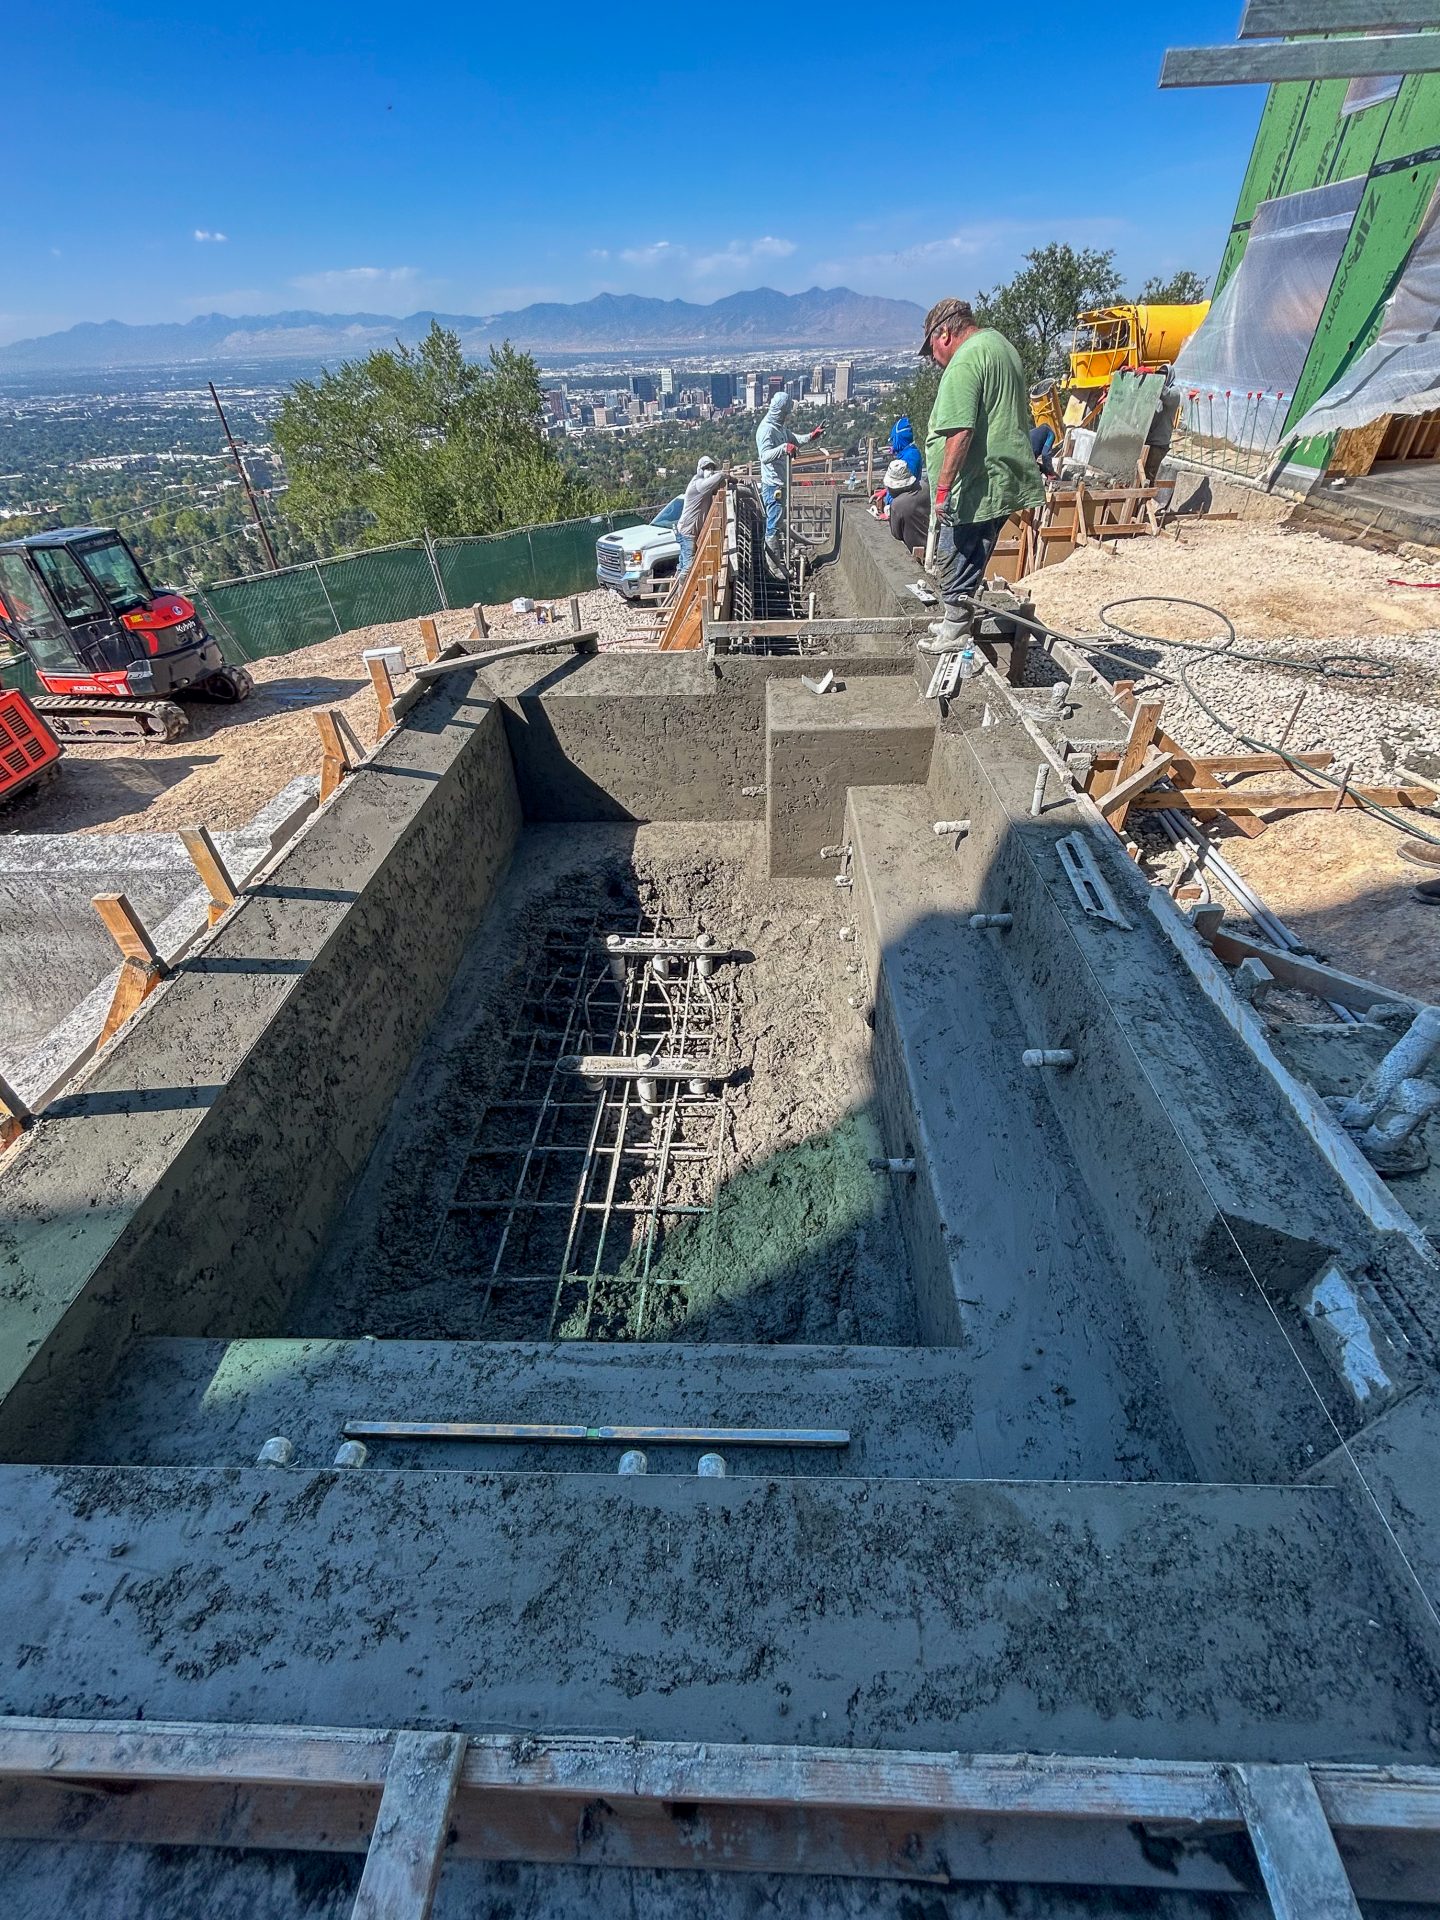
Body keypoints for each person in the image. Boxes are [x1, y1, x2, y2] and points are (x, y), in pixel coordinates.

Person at [918, 297, 1044, 649]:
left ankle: (955, 629)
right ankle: (955, 621)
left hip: (976, 482)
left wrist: (942, 491)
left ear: (944, 334)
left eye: (931, 351)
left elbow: (960, 431)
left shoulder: (965, 361)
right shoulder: (999, 345)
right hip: (1003, 477)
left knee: (955, 550)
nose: (933, 361)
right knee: (975, 552)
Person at [755, 393, 823, 565]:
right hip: (773, 485)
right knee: (773, 524)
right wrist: (784, 448)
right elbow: (764, 456)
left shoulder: (779, 428)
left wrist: (811, 436)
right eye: (785, 413)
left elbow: (794, 439)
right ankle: (772, 565)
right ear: (780, 411)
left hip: (781, 482)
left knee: (777, 522)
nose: (787, 416)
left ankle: (777, 561)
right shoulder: (766, 430)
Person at [677, 454, 726, 576]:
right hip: (687, 532)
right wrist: (724, 474)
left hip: (687, 530)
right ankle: (683, 592)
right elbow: (719, 476)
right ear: (700, 470)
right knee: (688, 567)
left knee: (683, 565)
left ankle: (677, 589)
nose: (710, 471)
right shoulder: (698, 484)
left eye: (711, 468)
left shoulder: (704, 486)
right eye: (706, 468)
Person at [884, 458, 930, 555]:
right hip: (934, 545)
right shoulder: (924, 487)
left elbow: (896, 534)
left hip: (918, 551)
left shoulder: (897, 504)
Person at [888, 416, 923, 482]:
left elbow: (906, 483)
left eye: (893, 439)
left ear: (899, 438)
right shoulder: (907, 452)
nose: (892, 443)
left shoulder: (911, 456)